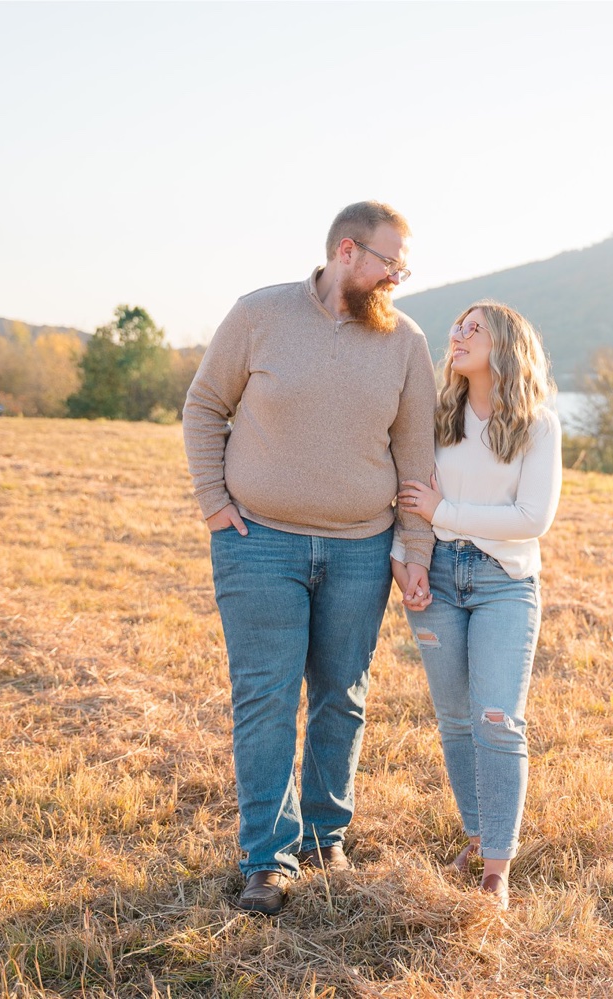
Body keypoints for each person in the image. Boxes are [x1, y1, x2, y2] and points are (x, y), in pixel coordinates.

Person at [183, 201, 436, 915]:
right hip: (258, 541)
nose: (398, 277)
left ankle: (326, 836)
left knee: (341, 696)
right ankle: (268, 857)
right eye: (392, 262)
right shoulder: (259, 314)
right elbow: (204, 406)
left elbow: (417, 455)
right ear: (348, 252)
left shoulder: (407, 342)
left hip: (361, 548)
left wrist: (412, 544)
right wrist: (213, 499)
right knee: (264, 699)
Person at [394, 300, 562, 909]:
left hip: (504, 583)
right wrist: (403, 559)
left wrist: (446, 515)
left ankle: (497, 868)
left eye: (474, 329)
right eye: (457, 327)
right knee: (457, 721)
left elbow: (532, 519)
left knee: (497, 721)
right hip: (435, 578)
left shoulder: (537, 426)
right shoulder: (436, 417)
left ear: (506, 347)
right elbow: (406, 497)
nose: (458, 335)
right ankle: (475, 832)